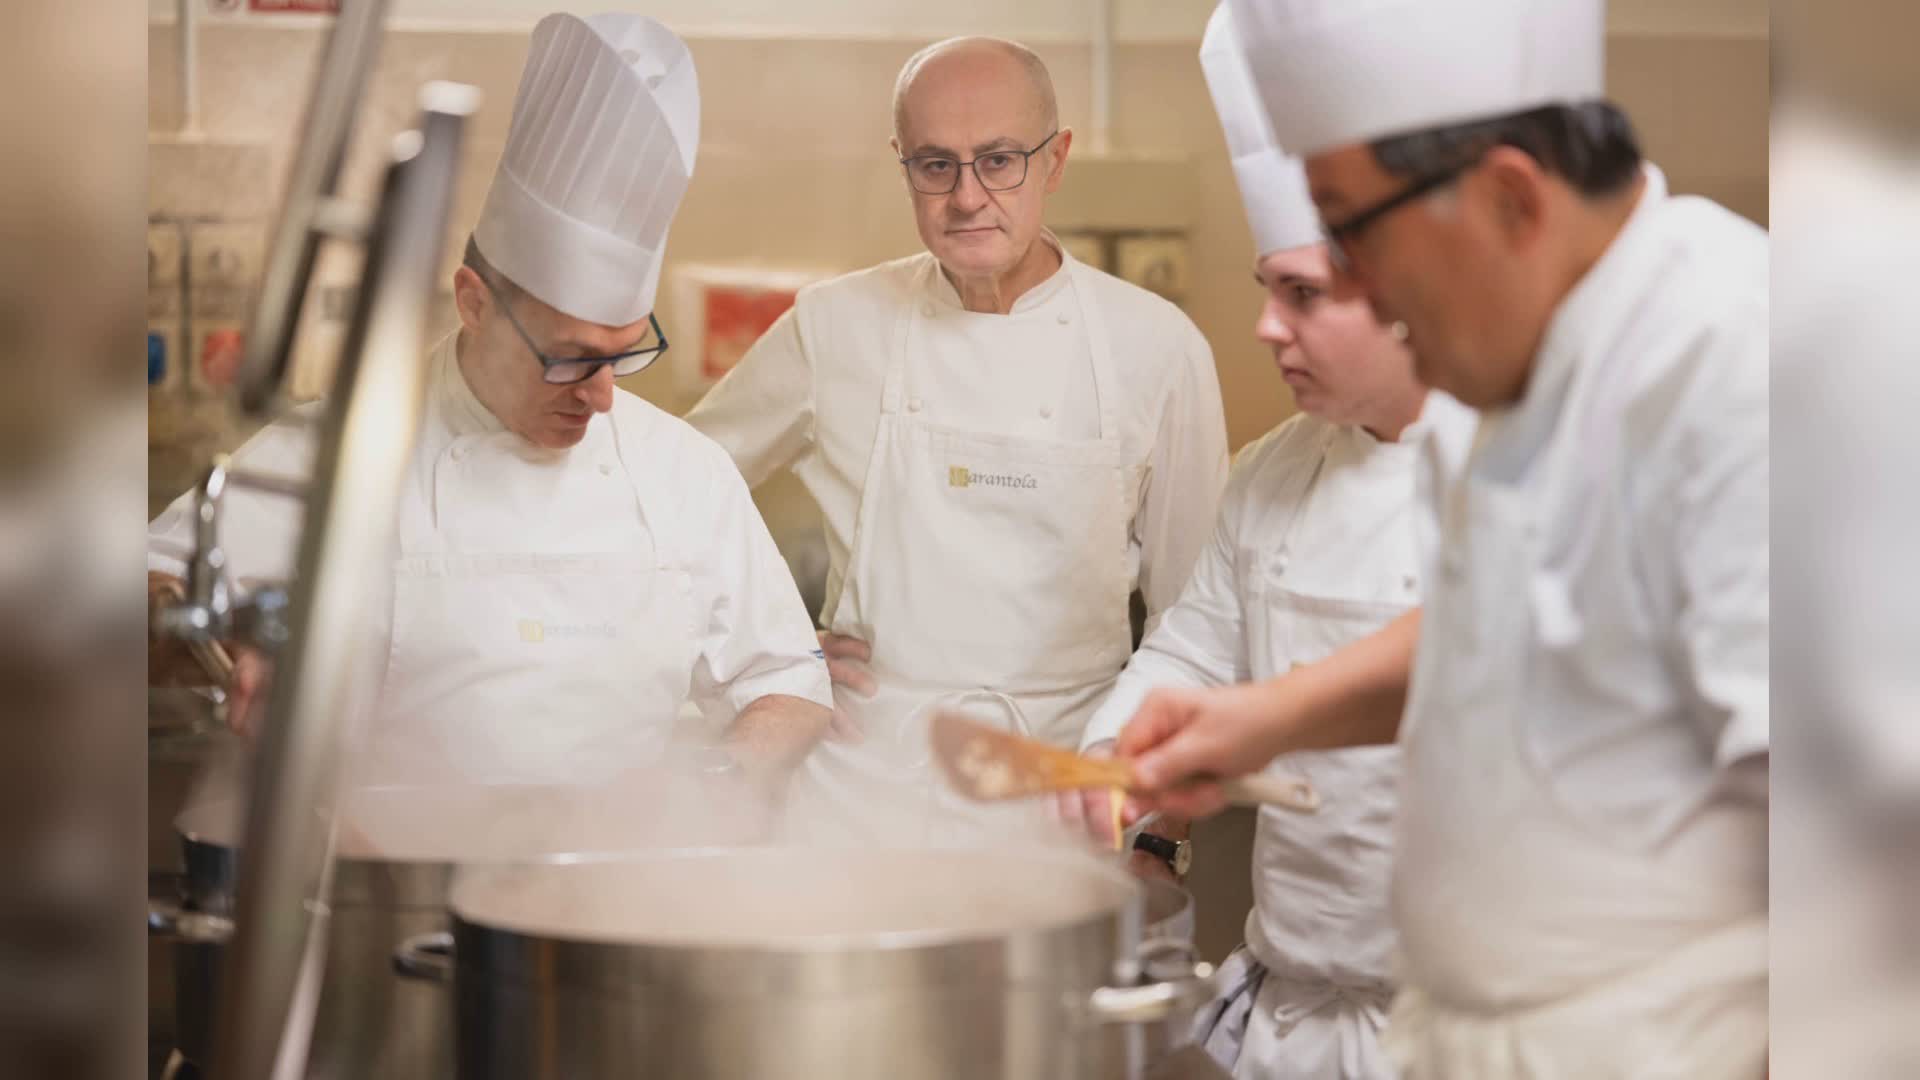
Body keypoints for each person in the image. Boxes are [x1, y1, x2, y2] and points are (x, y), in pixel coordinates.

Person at [1117, 2, 1770, 1077]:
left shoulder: (1733, 360)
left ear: (1511, 196)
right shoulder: (1508, 377)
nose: (1360, 292)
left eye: (1356, 237)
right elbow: (1493, 635)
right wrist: (1261, 716)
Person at [147, 13, 832, 800]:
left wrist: (709, 785)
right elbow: (139, 596)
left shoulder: (683, 472)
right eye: (569, 358)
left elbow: (788, 681)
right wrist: (221, 644)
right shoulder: (333, 452)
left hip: (610, 886)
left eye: (622, 356)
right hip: (381, 894)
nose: (603, 397)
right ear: (473, 302)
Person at [683, 37, 1228, 839]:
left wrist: (1155, 835)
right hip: (861, 804)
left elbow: (1199, 622)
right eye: (936, 165)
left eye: (999, 159)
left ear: (1056, 159)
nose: (968, 196)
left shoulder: (1158, 345)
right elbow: (671, 498)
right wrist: (771, 666)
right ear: (903, 166)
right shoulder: (835, 325)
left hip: (1066, 803)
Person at [1061, 9, 1448, 1075]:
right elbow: (1189, 653)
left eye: (1305, 296)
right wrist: (1113, 771)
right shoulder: (1278, 467)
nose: (1266, 329)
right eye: (1268, 290)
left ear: (1414, 292)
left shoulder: (1533, 475)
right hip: (1289, 1022)